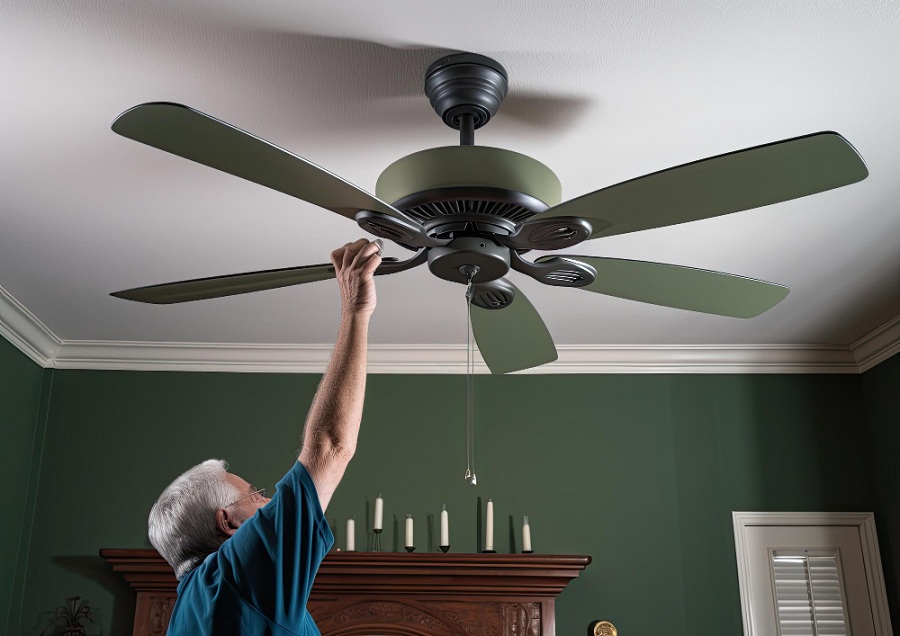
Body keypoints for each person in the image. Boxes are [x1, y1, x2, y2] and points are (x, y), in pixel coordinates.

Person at [148, 238, 382, 635]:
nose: (269, 500)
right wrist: (355, 311)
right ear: (229, 523)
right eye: (255, 494)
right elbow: (330, 447)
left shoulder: (193, 608)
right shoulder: (240, 575)